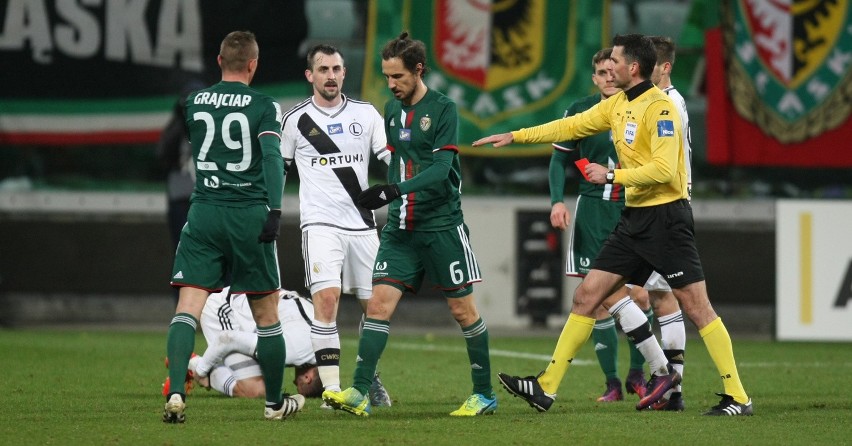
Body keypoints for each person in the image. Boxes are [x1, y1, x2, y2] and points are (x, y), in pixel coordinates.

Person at [474, 33, 752, 416]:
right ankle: (545, 388)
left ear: (633, 68)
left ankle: (737, 396)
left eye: (615, 62)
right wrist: (517, 135)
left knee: (696, 306)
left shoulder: (662, 107)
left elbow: (665, 170)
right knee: (587, 296)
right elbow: (569, 127)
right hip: (634, 219)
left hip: (667, 218)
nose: (609, 69)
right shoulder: (618, 104)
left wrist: (611, 176)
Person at [321, 32, 496, 417]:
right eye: (386, 77)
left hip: (441, 226)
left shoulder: (444, 109)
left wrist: (393, 190)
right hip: (401, 229)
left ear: (418, 71)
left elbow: (441, 168)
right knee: (379, 305)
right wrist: (379, 192)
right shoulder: (391, 109)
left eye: (398, 77)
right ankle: (359, 392)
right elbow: (400, 159)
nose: (391, 85)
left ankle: (483, 394)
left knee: (463, 312)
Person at [163, 30, 303, 424]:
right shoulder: (264, 105)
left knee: (186, 310)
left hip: (204, 213)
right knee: (266, 314)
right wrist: (275, 210)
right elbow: (273, 159)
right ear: (254, 64)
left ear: (220, 61)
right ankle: (274, 404)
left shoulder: (194, 102)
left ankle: (176, 392)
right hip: (247, 216)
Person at [279, 43, 392, 408]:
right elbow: (278, 170)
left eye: (337, 69)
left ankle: (366, 375)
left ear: (344, 73)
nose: (331, 76)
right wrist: (270, 210)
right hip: (320, 225)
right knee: (325, 302)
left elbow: (391, 160)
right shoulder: (296, 120)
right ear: (310, 75)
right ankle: (331, 391)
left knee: (377, 308)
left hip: (362, 225)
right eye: (323, 69)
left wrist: (402, 191)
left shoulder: (367, 114)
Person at [549, 48, 653, 403]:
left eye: (613, 71)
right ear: (594, 77)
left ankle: (638, 374)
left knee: (639, 294)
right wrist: (556, 201)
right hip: (593, 211)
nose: (608, 77)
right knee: (597, 300)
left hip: (633, 208)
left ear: (623, 72)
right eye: (601, 73)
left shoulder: (643, 108)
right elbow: (558, 160)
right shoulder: (581, 110)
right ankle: (612, 382)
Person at [638, 35, 693, 411]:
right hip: (657, 208)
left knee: (617, 293)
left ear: (665, 67)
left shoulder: (668, 104)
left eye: (648, 65)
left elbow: (663, 166)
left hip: (664, 209)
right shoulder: (658, 102)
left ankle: (665, 376)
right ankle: (672, 391)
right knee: (661, 298)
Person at [162, 287, 323, 398]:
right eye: (299, 385)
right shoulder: (290, 350)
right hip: (224, 310)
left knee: (266, 378)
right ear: (308, 378)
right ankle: (193, 364)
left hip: (256, 306)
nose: (294, 382)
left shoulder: (327, 346)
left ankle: (202, 367)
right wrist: (202, 370)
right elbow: (226, 338)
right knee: (254, 390)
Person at [155, 80, 203, 306]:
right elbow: (162, 156)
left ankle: (218, 308)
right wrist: (181, 121)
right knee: (182, 255)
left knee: (217, 255)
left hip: (206, 199)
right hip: (181, 200)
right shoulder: (175, 128)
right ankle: (183, 308)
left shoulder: (212, 125)